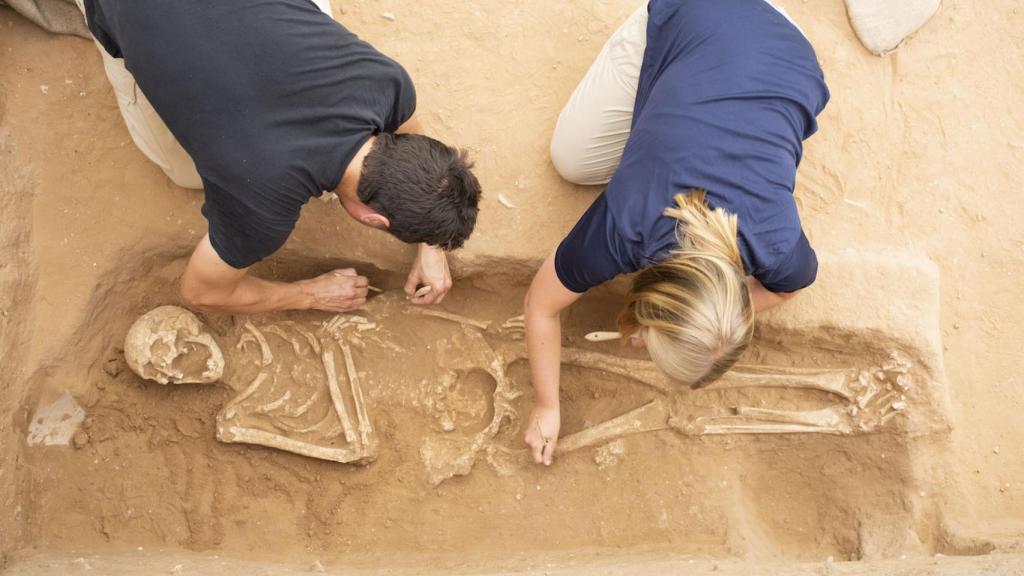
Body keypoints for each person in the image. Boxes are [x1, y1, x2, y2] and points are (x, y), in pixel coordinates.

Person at [523, 0, 830, 465]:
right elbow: (541, 305)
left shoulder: (779, 243)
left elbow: (789, 289)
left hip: (785, 48)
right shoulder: (628, 224)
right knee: (574, 162)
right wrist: (546, 405)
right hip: (697, 14)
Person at [75, 0, 482, 314]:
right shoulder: (262, 204)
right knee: (185, 173)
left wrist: (432, 243)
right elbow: (200, 292)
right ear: (372, 219)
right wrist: (308, 294)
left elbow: (412, 135)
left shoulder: (386, 83)